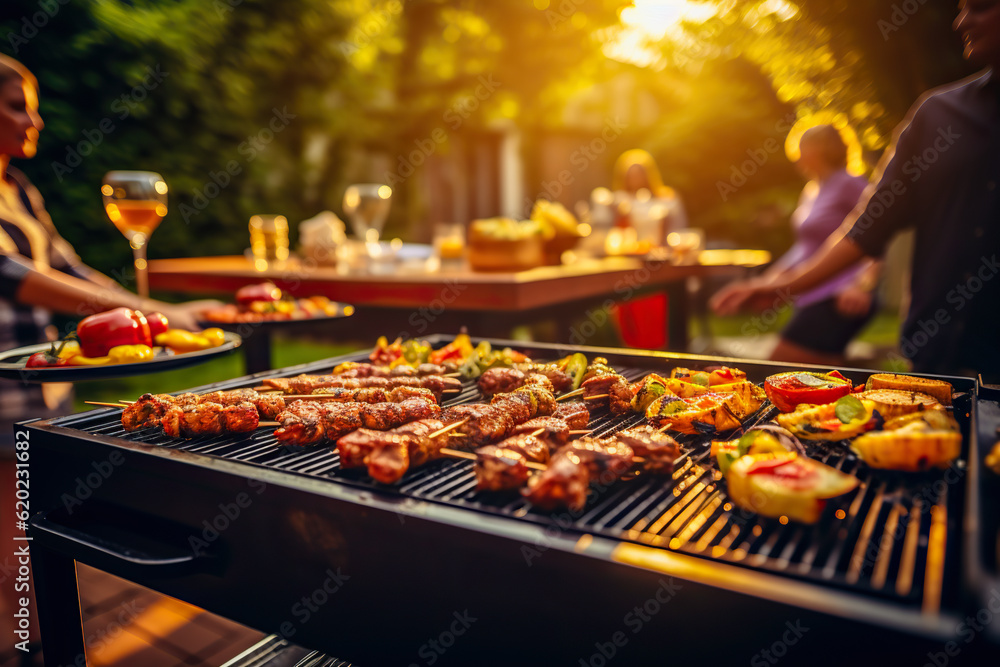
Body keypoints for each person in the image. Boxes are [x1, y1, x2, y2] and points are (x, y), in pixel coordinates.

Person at [712, 0, 1000, 378]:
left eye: (980, 6)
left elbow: (869, 249)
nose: (962, 21)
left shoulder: (844, 182)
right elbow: (868, 228)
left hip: (842, 299)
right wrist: (779, 285)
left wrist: (862, 286)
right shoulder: (937, 117)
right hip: (939, 355)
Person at [0, 54, 218, 441]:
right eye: (18, 108)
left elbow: (68, 269)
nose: (36, 122)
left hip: (44, 387)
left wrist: (150, 319)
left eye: (34, 109)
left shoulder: (18, 188)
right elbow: (11, 276)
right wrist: (154, 309)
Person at [745, 124, 880, 366]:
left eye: (802, 147)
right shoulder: (812, 189)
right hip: (812, 292)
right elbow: (804, 248)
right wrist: (769, 284)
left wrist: (861, 285)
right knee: (822, 371)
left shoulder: (849, 183)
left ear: (818, 149)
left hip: (842, 293)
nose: (797, 154)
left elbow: (878, 235)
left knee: (780, 364)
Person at [611, 148, 689, 238]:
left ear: (648, 175)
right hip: (631, 248)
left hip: (662, 246)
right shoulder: (620, 200)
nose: (635, 179)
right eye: (631, 175)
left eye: (639, 174)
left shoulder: (667, 198)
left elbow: (679, 226)